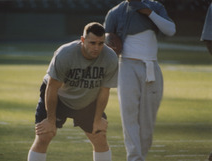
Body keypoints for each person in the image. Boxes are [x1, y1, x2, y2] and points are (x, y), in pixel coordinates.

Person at [27, 22, 118, 161]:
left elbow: (104, 91)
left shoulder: (110, 57)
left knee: (99, 136)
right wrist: (50, 120)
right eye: (92, 43)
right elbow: (52, 87)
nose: (97, 48)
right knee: (45, 135)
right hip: (59, 97)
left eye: (101, 43)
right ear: (82, 40)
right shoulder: (65, 54)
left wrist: (98, 119)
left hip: (87, 99)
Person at [104, 0, 176, 161]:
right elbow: (107, 41)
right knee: (129, 115)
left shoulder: (155, 7)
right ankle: (134, 158)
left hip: (151, 66)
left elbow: (170, 30)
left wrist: (149, 12)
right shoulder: (115, 12)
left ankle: (140, 155)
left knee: (147, 120)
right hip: (127, 65)